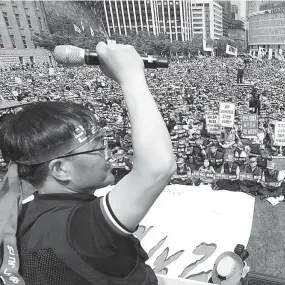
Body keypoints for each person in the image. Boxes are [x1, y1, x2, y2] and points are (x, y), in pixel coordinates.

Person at [0, 42, 176, 284]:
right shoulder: (74, 230)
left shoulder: (29, 215)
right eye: (97, 146)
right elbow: (157, 168)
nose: (109, 154)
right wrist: (131, 76)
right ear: (60, 169)